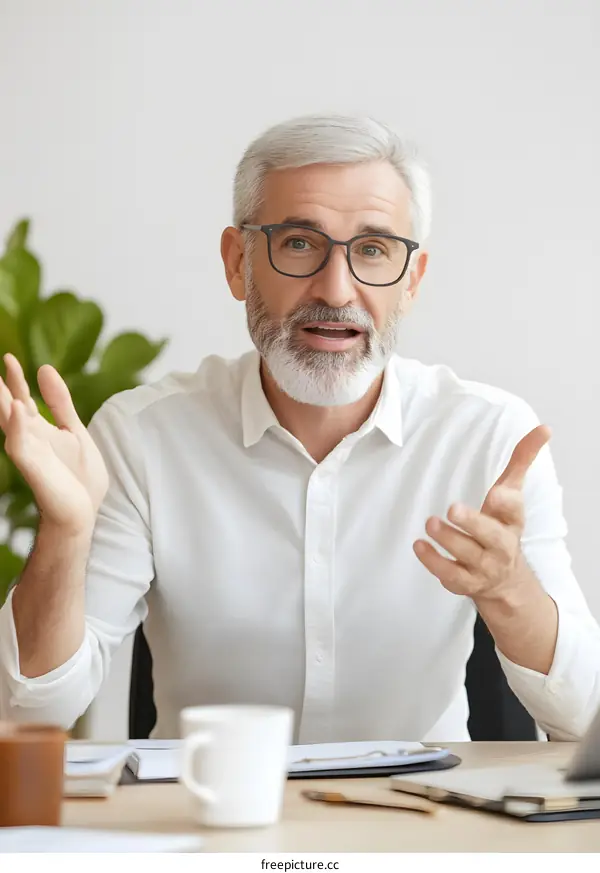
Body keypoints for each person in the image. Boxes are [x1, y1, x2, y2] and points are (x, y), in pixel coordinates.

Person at [0, 114, 599, 744]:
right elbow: (30, 712)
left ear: (412, 281)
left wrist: (510, 593)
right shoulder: (142, 435)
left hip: (417, 828)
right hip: (211, 826)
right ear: (238, 263)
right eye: (298, 243)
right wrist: (66, 534)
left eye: (373, 250)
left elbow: (585, 721)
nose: (337, 290)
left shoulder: (492, 438)